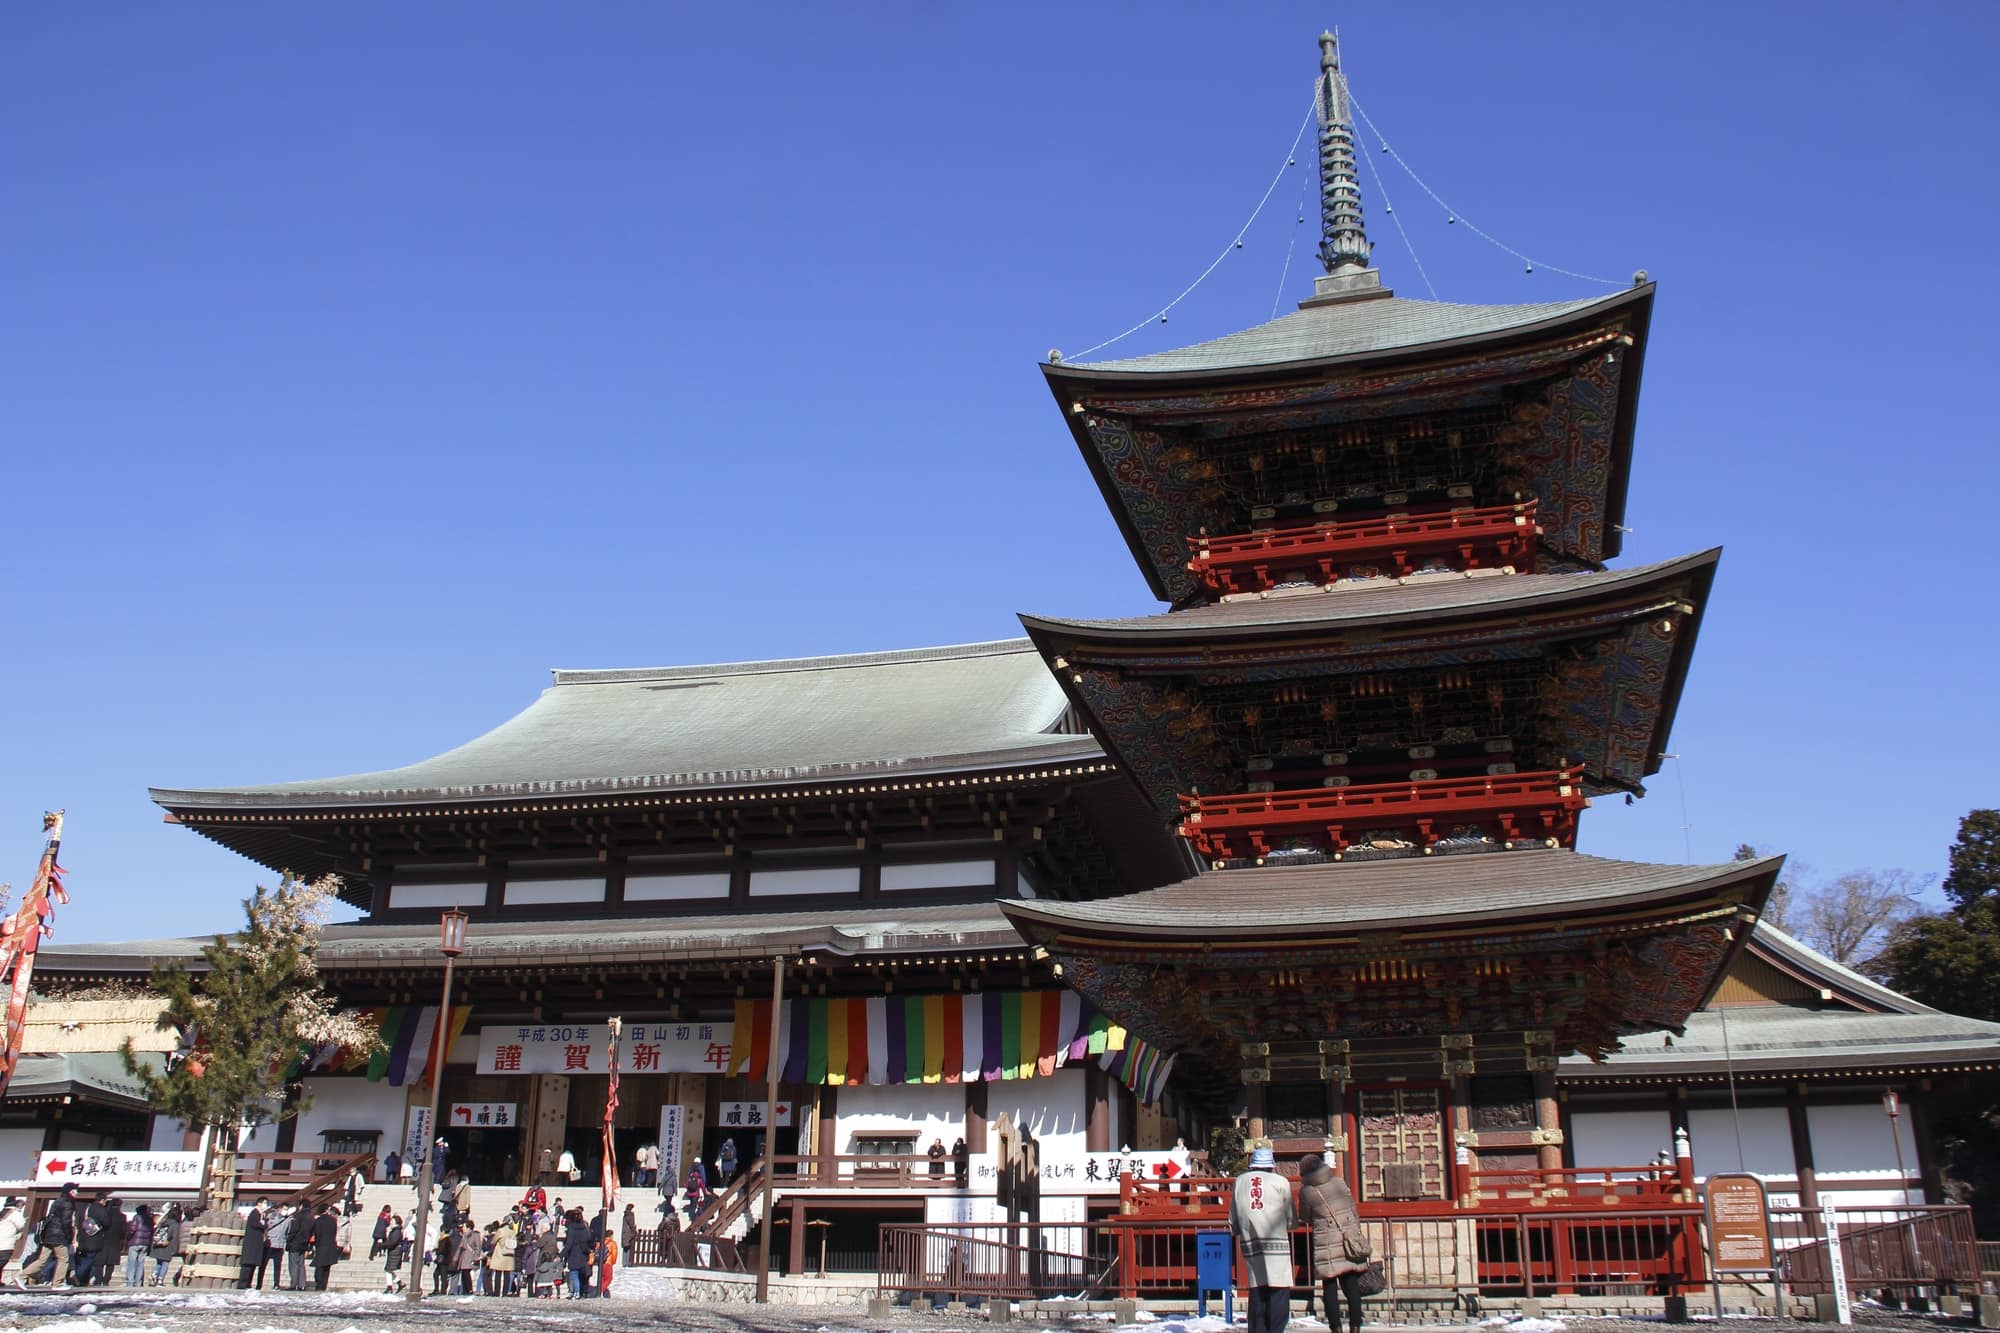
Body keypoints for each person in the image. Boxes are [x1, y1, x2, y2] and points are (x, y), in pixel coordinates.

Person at [1298, 1152, 1369, 1333]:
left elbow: (1305, 1216)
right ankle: (1355, 1326)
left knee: (1329, 1287)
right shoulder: (1339, 1182)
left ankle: (1335, 1328)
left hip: (1326, 1241)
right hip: (1347, 1239)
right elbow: (1352, 1208)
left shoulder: (1307, 1191)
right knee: (1351, 1284)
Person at [1230, 1144, 1296, 1333]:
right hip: (1276, 1243)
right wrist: (1292, 1224)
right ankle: (1276, 1329)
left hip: (1251, 1242)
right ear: (1271, 1165)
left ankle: (1257, 1329)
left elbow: (1233, 1215)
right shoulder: (1280, 1181)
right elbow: (1290, 1214)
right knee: (1279, 1287)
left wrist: (1236, 1229)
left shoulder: (1240, 1181)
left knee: (1257, 1287)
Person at [25, 1181, 79, 1285]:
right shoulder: (68, 1203)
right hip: (59, 1235)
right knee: (64, 1259)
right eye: (75, 1190)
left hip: (48, 1235)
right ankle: (57, 1283)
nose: (77, 1193)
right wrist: (69, 1237)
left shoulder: (57, 1201)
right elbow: (66, 1221)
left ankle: (21, 1276)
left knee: (42, 1260)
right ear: (71, 1192)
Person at [73, 1191, 119, 1286]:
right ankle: (78, 1276)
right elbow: (106, 1222)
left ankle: (82, 1279)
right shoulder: (100, 1209)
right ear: (102, 1200)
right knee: (90, 1259)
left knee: (85, 1258)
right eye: (105, 1200)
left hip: (84, 1236)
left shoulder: (88, 1207)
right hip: (94, 1237)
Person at [237, 1197, 270, 1289]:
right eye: (264, 1202)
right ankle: (243, 1284)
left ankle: (248, 1283)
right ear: (259, 1203)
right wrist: (264, 1225)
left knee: (252, 1266)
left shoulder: (262, 1214)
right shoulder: (254, 1213)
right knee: (247, 1266)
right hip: (251, 1243)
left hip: (257, 1243)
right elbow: (255, 1224)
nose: (265, 1205)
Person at [123, 1202, 155, 1289]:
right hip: (145, 1243)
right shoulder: (150, 1219)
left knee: (132, 1263)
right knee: (141, 1263)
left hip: (135, 1242)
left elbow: (132, 1229)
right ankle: (138, 1282)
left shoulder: (137, 1217)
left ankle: (130, 1281)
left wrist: (128, 1237)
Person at [147, 1203, 182, 1286]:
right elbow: (175, 1238)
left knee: (159, 1262)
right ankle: (160, 1279)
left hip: (158, 1245)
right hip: (167, 1246)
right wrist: (175, 1249)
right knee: (165, 1263)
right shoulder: (175, 1224)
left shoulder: (163, 1222)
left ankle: (154, 1275)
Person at [309, 1202, 340, 1290]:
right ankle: (324, 1284)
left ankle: (319, 1284)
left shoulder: (319, 1220)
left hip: (322, 1245)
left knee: (319, 1267)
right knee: (327, 1267)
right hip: (331, 1245)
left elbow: (317, 1234)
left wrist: (315, 1244)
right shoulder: (333, 1220)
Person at [562, 1208, 591, 1298]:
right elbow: (589, 1238)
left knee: (574, 1274)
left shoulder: (572, 1228)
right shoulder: (584, 1227)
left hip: (574, 1253)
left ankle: (576, 1292)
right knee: (582, 1274)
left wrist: (561, 1254)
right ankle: (583, 1291)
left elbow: (569, 1243)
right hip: (583, 1252)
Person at [284, 1199, 311, 1289]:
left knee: (294, 1264)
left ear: (301, 1206)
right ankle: (302, 1284)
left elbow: (293, 1230)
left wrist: (289, 1241)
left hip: (295, 1243)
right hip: (304, 1243)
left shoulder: (298, 1216)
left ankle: (294, 1284)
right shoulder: (311, 1217)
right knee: (301, 1264)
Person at [0, 1198, 26, 1285]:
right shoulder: (15, 1213)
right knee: (2, 1261)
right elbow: (21, 1225)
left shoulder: (3, 1212)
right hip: (6, 1243)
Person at [382, 1213, 407, 1293]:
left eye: (392, 1221)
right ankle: (399, 1283)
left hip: (395, 1252)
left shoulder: (397, 1231)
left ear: (396, 1222)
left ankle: (390, 1287)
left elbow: (393, 1242)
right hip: (393, 1252)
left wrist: (383, 1245)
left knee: (388, 1269)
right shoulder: (395, 1230)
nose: (390, 1222)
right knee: (388, 1269)